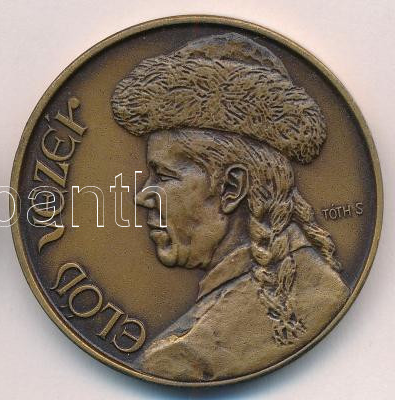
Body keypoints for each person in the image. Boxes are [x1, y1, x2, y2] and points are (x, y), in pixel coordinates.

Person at [110, 33, 349, 381]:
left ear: (231, 188)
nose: (144, 196)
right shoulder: (323, 285)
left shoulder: (185, 356)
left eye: (163, 175)